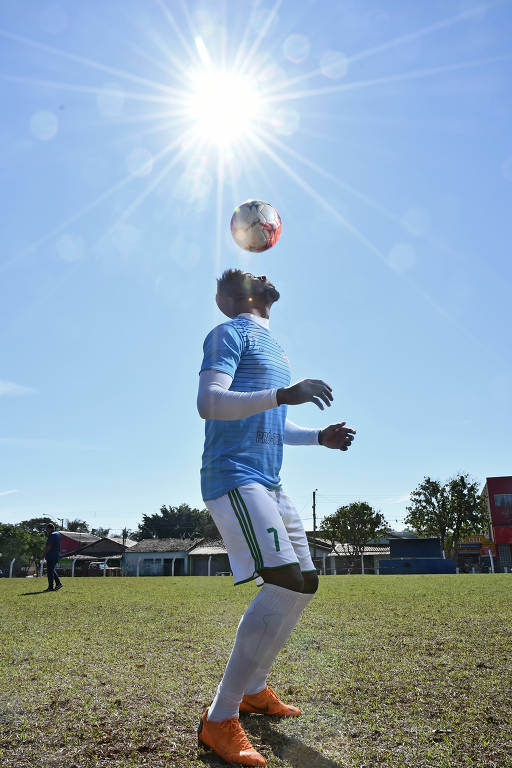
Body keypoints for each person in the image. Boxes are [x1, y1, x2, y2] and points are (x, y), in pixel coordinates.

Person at [196, 269, 356, 766]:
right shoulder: (228, 333)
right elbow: (209, 403)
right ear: (235, 295)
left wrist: (317, 437)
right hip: (234, 476)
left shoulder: (275, 346)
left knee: (304, 582)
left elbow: (271, 421)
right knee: (282, 578)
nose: (265, 273)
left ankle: (254, 690)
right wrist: (284, 394)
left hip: (269, 481)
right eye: (252, 273)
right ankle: (220, 719)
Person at [42, 523, 63, 592]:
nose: (46, 531)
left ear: (49, 528)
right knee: (51, 570)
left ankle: (51, 587)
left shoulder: (52, 535)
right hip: (56, 555)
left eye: (47, 529)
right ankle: (58, 583)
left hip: (51, 555)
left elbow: (48, 547)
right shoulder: (57, 534)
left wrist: (43, 555)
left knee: (50, 572)